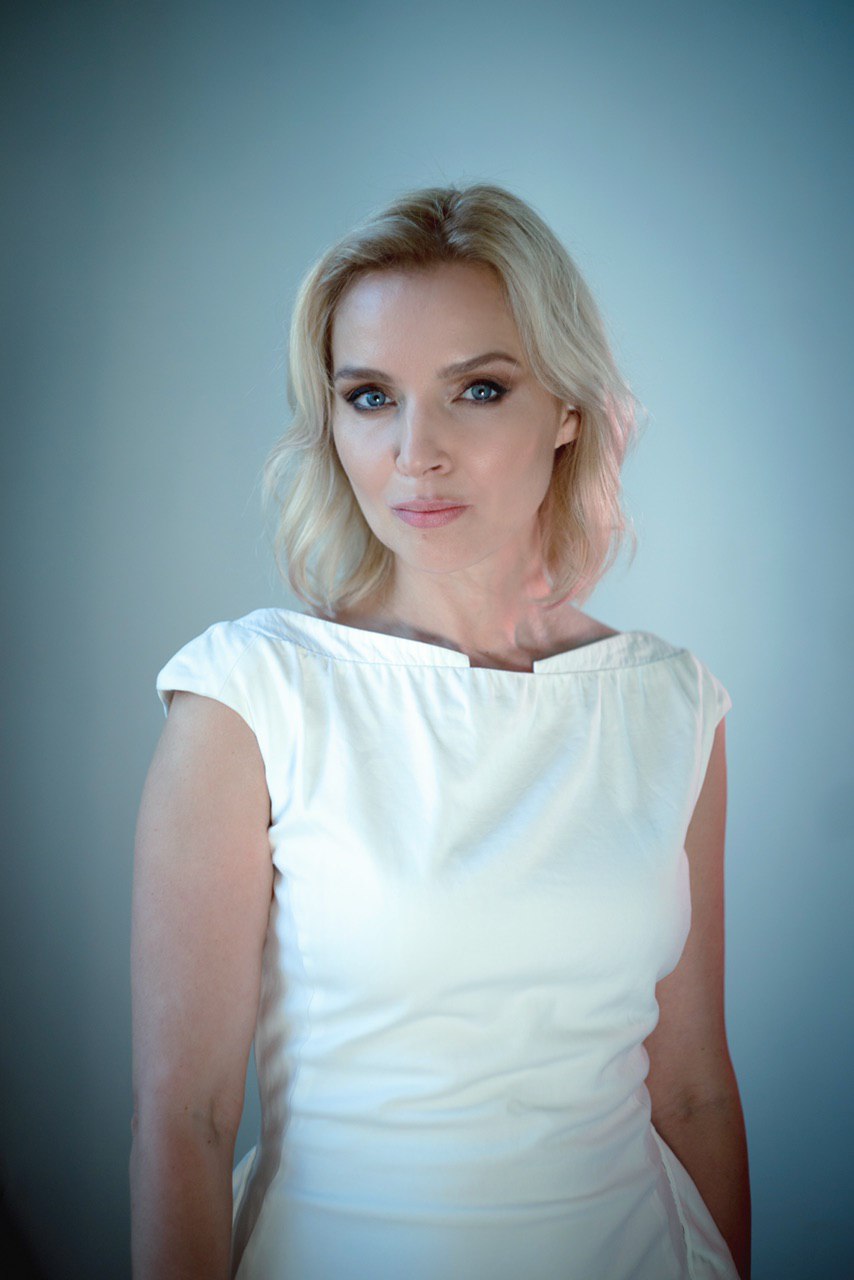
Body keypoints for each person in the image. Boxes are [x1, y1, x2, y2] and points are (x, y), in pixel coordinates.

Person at [129, 183, 751, 1280]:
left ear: (567, 410)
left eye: (477, 389)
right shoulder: (248, 696)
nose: (416, 452)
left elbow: (693, 1086)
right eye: (371, 397)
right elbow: (188, 1118)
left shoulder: (668, 703)